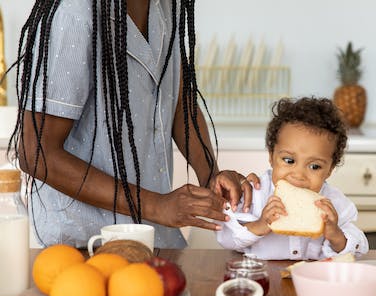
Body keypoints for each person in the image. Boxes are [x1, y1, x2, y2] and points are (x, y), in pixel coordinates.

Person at [6, 0, 258, 249]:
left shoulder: (165, 6)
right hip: (85, 248)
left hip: (154, 241)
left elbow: (179, 101)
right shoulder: (74, 12)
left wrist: (211, 177)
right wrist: (155, 205)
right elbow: (36, 152)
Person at [215, 97, 369, 260]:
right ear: (271, 156)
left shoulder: (333, 202)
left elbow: (361, 248)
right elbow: (225, 238)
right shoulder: (254, 194)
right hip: (262, 278)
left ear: (330, 170)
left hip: (313, 280)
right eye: (289, 161)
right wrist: (259, 225)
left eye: (314, 166)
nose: (298, 175)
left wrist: (336, 235)